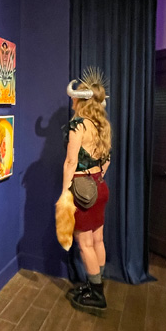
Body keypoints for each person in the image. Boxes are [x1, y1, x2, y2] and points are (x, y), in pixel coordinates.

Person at [62, 67, 111, 315]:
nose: (72, 100)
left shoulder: (78, 126)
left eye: (74, 96)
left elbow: (71, 162)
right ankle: (97, 284)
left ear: (80, 100)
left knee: (85, 244)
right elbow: (107, 161)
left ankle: (97, 295)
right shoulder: (102, 125)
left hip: (83, 192)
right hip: (100, 188)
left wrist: (64, 193)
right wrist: (97, 178)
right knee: (98, 239)